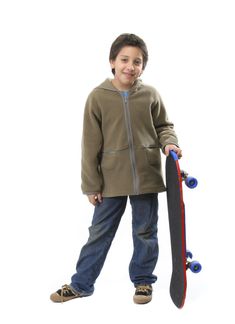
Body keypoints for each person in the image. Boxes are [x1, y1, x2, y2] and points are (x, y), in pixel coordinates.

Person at [50, 33, 182, 304]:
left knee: (145, 231)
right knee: (99, 232)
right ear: (112, 61)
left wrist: (169, 144)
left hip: (146, 177)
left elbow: (164, 127)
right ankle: (81, 284)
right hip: (110, 181)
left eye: (137, 61)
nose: (130, 66)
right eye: (124, 59)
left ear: (143, 66)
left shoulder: (150, 95)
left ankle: (143, 282)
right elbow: (90, 145)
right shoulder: (97, 97)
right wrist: (91, 185)